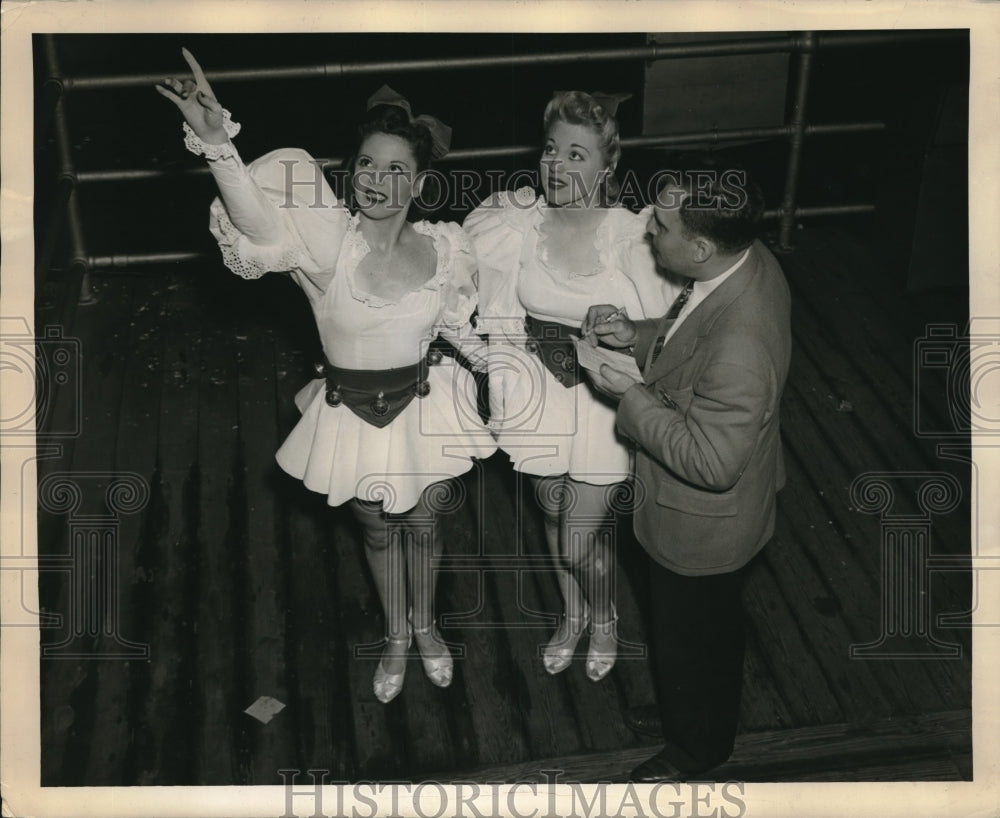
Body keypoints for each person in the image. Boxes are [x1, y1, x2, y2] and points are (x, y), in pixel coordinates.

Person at [156, 49, 496, 704]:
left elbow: (453, 323)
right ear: (352, 172)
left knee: (426, 525)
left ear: (421, 185)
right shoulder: (325, 246)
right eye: (367, 163)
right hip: (354, 415)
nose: (377, 178)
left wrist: (502, 373)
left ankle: (426, 628)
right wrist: (218, 144)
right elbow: (255, 221)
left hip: (425, 408)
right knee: (375, 528)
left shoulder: (448, 248)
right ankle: (396, 636)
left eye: (397, 168)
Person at [582, 157, 791, 779]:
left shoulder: (743, 346)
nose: (649, 228)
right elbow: (689, 337)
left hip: (702, 527)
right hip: (722, 515)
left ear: (699, 246)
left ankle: (696, 748)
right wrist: (635, 335)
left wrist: (630, 396)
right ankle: (692, 710)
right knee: (705, 633)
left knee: (691, 635)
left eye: (664, 227)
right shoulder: (745, 261)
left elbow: (711, 461)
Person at [464, 91, 678, 681]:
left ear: (608, 167)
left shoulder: (635, 237)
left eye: (576, 154)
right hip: (538, 387)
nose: (556, 166)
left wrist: (624, 329)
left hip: (603, 398)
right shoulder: (513, 223)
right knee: (553, 514)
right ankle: (572, 614)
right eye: (551, 150)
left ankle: (604, 618)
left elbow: (675, 329)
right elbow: (474, 288)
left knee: (580, 535)